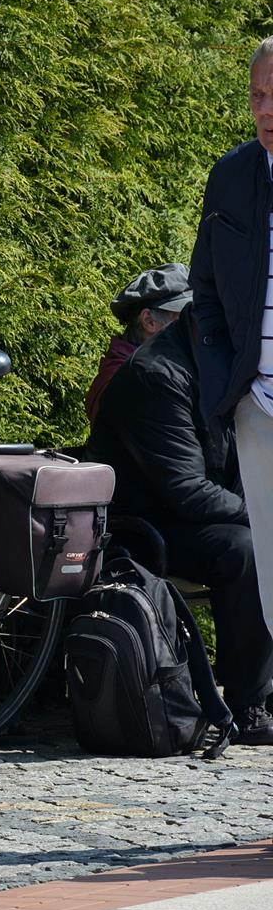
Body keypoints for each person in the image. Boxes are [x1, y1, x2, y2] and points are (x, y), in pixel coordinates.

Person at [87, 299, 273, 741]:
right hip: (144, 524)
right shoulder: (158, 375)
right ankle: (249, 704)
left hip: (198, 510)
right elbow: (186, 490)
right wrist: (261, 514)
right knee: (246, 550)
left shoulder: (227, 364)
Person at [190, 35, 273, 655]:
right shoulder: (232, 175)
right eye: (257, 95)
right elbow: (206, 289)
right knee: (272, 585)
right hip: (258, 407)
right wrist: (228, 385)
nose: (266, 110)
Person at [85, 263, 191, 422]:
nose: (196, 325)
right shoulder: (130, 382)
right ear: (149, 321)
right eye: (185, 317)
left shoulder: (160, 371)